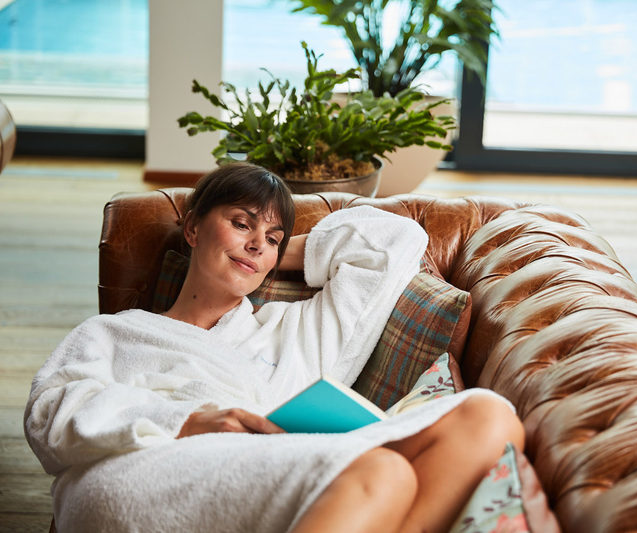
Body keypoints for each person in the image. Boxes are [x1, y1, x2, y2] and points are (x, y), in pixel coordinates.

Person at [24, 162, 525, 533]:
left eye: (272, 236)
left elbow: (395, 241)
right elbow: (51, 414)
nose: (256, 242)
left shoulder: (292, 330)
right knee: (383, 471)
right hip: (138, 472)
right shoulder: (117, 331)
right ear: (193, 228)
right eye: (241, 223)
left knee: (488, 417)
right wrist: (186, 421)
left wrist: (272, 254)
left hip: (281, 481)